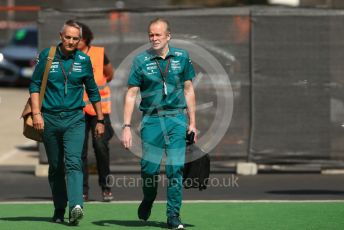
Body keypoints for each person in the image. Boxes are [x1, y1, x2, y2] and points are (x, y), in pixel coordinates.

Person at [121, 17, 197, 230]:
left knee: (175, 169)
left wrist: (192, 122)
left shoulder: (182, 57)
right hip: (152, 120)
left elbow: (189, 89)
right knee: (149, 170)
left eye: (158, 35)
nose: (154, 38)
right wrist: (126, 127)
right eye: (151, 35)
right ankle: (148, 198)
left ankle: (173, 215)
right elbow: (131, 94)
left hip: (176, 119)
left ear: (168, 36)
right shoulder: (140, 60)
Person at [29, 19, 105, 225]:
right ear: (61, 36)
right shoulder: (47, 56)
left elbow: (93, 90)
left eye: (75, 38)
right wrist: (37, 114)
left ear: (80, 40)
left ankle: (76, 205)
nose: (71, 41)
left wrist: (100, 119)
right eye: (68, 37)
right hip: (49, 119)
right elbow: (35, 86)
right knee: (55, 167)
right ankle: (59, 208)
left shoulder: (83, 60)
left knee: (73, 162)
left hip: (75, 119)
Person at [76, 22, 115, 202]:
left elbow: (109, 73)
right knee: (79, 150)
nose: (75, 41)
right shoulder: (68, 55)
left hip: (100, 110)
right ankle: (83, 190)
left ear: (86, 38)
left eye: (79, 37)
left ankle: (106, 187)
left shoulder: (99, 54)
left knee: (100, 147)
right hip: (77, 110)